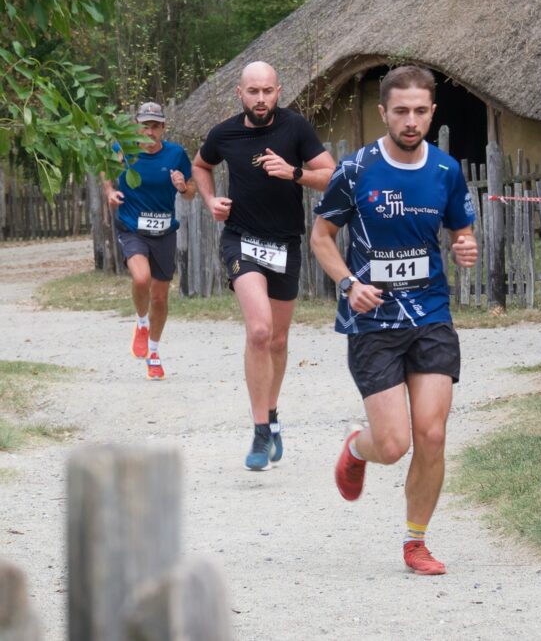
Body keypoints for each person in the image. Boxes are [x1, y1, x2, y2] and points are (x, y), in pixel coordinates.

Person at [310, 65, 477, 576]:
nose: (410, 120)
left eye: (420, 111)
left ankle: (416, 541)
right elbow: (321, 238)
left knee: (431, 434)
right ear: (382, 112)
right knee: (393, 444)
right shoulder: (355, 171)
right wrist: (348, 285)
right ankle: (357, 448)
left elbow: (460, 232)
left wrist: (465, 246)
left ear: (432, 112)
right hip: (373, 322)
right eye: (400, 111)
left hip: (430, 315)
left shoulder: (447, 171)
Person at [192, 61, 335, 471]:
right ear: (240, 93)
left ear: (278, 91)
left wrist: (294, 173)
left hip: (285, 244)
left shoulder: (296, 128)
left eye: (267, 91)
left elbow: (332, 175)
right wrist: (210, 200)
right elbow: (201, 165)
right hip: (242, 239)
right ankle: (257, 430)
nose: (260, 99)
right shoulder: (224, 133)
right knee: (258, 330)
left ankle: (271, 417)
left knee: (277, 340)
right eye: (252, 91)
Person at [102, 101, 196, 380]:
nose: (149, 131)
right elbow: (104, 169)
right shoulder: (123, 149)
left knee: (160, 297)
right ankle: (141, 323)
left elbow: (191, 192)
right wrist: (110, 191)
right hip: (132, 227)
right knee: (141, 279)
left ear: (163, 128)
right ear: (137, 127)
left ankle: (153, 352)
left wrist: (183, 186)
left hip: (164, 232)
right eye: (145, 125)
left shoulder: (176, 154)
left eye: (155, 126)